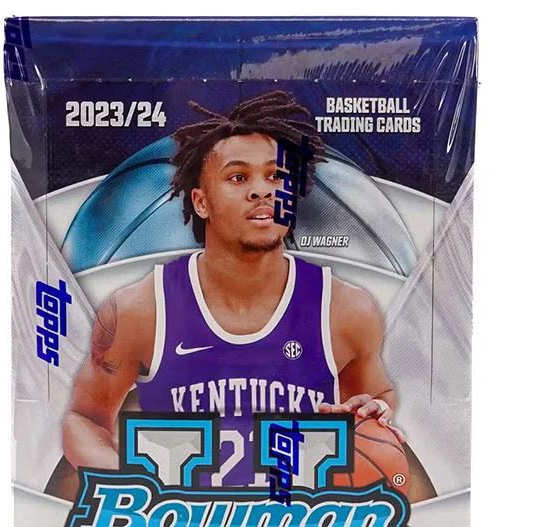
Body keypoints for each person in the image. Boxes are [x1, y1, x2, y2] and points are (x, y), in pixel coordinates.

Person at [53, 91, 434, 499]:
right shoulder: (140, 309)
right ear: (201, 201)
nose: (262, 191)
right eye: (238, 177)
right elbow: (84, 419)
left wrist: (374, 413)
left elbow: (375, 400)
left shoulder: (346, 310)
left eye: (276, 176)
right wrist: (124, 481)